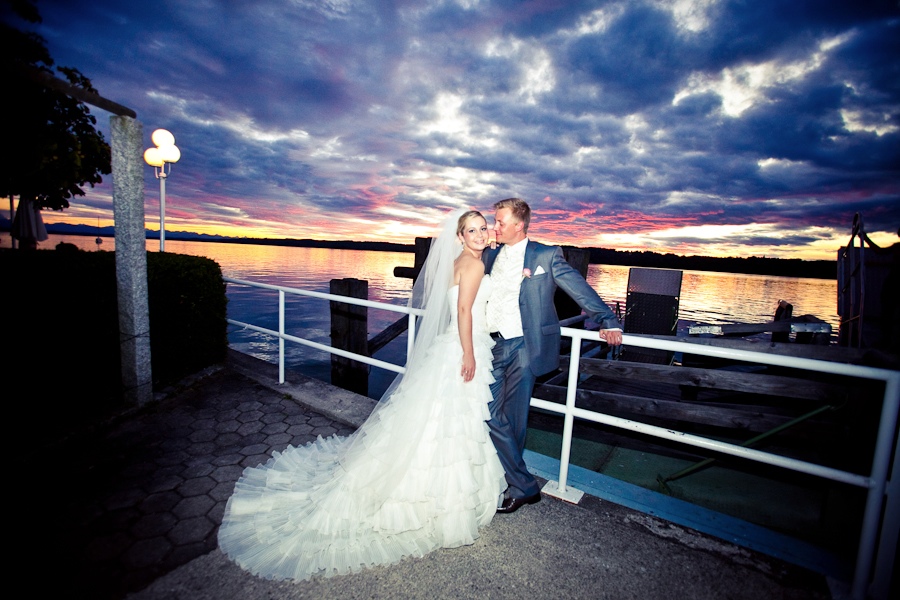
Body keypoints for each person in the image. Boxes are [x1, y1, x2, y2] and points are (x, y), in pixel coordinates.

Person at [218, 208, 506, 581]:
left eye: (483, 228)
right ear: (461, 236)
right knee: (451, 421)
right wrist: (468, 354)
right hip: (463, 349)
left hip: (449, 347)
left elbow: (461, 307)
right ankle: (438, 501)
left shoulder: (458, 262)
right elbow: (465, 310)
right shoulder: (475, 266)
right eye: (473, 230)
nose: (481, 234)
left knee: (437, 420)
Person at [484, 197, 622, 513]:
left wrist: (606, 319)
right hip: (493, 345)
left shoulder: (545, 255)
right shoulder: (492, 256)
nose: (496, 227)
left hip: (525, 345)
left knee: (514, 420)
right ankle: (523, 484)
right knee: (488, 412)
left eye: (500, 222)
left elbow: (578, 287)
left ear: (519, 225)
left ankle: (516, 486)